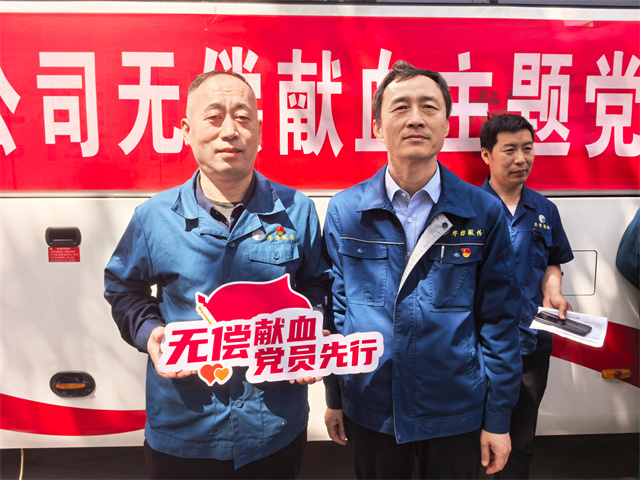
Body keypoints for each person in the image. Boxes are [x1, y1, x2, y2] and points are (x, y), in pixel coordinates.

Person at [104, 70, 332, 479]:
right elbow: (124, 287)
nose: (230, 131)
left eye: (243, 117)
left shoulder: (296, 210)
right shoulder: (154, 218)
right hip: (184, 428)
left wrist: (309, 330)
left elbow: (318, 283)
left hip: (274, 427)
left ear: (259, 132)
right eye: (214, 117)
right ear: (186, 131)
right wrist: (150, 332)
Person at [322, 60, 522, 479]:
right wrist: (336, 396)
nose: (415, 118)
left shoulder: (482, 211)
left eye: (429, 107)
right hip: (372, 406)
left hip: (455, 410)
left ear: (446, 125)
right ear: (378, 127)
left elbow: (500, 321)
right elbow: (338, 312)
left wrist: (498, 418)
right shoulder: (346, 211)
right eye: (400, 107)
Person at [479, 113, 574, 479]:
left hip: (531, 347)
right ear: (486, 155)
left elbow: (552, 261)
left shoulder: (545, 210)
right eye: (510, 150)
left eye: (528, 149)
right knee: (474, 440)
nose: (521, 159)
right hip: (478, 349)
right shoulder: (468, 208)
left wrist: (554, 290)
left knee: (521, 441)